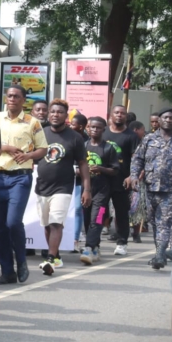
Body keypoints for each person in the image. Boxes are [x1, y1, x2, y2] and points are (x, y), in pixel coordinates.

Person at [0, 85, 48, 285]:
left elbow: (43, 148)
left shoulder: (32, 122)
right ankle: (7, 271)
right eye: (9, 96)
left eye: (16, 96)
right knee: (1, 226)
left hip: (20, 177)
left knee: (13, 222)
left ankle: (21, 261)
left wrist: (29, 155)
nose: (12, 99)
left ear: (24, 100)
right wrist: (4, 147)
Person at [130, 107, 172, 270]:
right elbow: (137, 159)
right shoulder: (148, 139)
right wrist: (134, 176)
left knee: (164, 221)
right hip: (151, 187)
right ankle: (160, 253)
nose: (168, 120)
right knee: (154, 222)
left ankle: (160, 255)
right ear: (160, 120)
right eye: (165, 117)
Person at [36, 100, 90, 275]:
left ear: (66, 116)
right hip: (42, 187)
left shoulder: (75, 137)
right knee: (46, 224)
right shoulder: (41, 133)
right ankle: (56, 255)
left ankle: (50, 259)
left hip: (63, 187)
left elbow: (83, 164)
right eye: (52, 112)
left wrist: (87, 189)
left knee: (56, 223)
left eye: (59, 112)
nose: (55, 115)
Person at [80, 117, 118, 265]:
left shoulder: (108, 148)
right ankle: (95, 246)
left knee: (98, 218)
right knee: (88, 219)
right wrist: (79, 171)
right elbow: (77, 166)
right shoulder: (83, 146)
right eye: (91, 127)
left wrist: (101, 169)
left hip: (102, 191)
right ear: (87, 129)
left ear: (104, 129)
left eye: (98, 127)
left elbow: (115, 170)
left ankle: (88, 248)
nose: (94, 130)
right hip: (86, 189)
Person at [103, 105, 139, 256]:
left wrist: (132, 176)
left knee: (121, 213)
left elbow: (136, 159)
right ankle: (94, 242)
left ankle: (122, 242)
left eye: (122, 113)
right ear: (111, 115)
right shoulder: (103, 133)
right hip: (102, 181)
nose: (119, 115)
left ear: (126, 116)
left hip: (122, 182)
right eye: (116, 112)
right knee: (100, 212)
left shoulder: (132, 136)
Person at [68, 113, 88, 251]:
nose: (70, 125)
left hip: (80, 181)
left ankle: (75, 239)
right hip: (65, 179)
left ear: (81, 127)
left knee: (77, 209)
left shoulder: (88, 141)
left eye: (73, 124)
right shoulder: (67, 137)